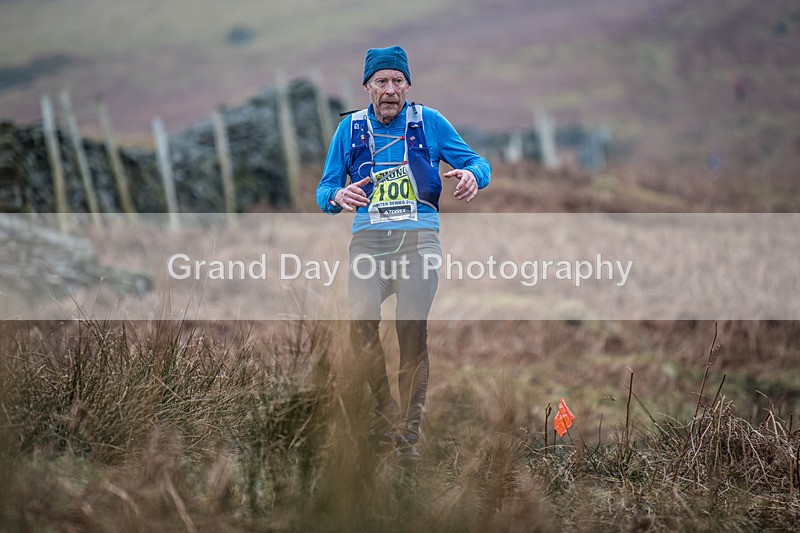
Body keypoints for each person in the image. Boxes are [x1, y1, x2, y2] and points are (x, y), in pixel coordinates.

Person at [316, 45, 491, 460]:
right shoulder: (350, 130)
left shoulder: (430, 122)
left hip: (419, 241)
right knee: (360, 325)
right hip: (369, 241)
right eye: (382, 81)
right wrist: (338, 194)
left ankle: (409, 434)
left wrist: (471, 175)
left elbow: (478, 162)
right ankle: (386, 416)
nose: (390, 89)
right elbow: (324, 190)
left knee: (410, 330)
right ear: (367, 87)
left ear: (408, 85)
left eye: (398, 81)